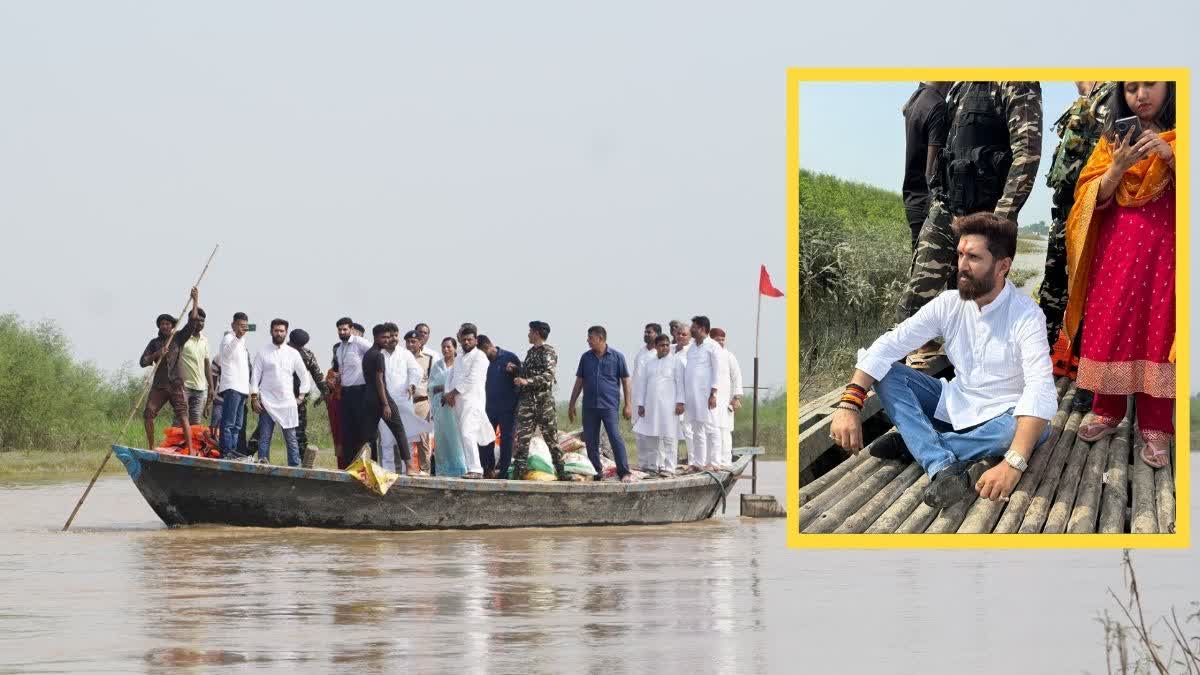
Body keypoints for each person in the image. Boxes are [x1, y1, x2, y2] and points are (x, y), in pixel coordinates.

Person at [830, 213, 1057, 508]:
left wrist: (1013, 465)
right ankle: (939, 460)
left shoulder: (1027, 316)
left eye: (974, 257)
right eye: (960, 254)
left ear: (1003, 266)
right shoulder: (949, 303)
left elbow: (1040, 388)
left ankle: (919, 447)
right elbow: (889, 345)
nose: (962, 265)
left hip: (1003, 413)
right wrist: (849, 403)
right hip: (954, 403)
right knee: (887, 372)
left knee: (1022, 429)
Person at [1065, 81, 1176, 469]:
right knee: (1111, 321)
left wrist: (1173, 155)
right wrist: (1116, 168)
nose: (1141, 95)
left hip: (1167, 252)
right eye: (1131, 89)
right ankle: (1107, 411)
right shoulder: (1111, 141)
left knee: (1158, 328)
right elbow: (1087, 197)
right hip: (1115, 251)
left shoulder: (1184, 136)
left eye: (1150, 85)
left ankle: (1157, 426)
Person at [897, 81, 1042, 370]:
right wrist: (937, 198)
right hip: (946, 211)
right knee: (916, 294)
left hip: (986, 216)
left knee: (979, 304)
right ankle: (889, 371)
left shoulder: (1015, 80)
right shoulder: (961, 86)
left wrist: (999, 221)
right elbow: (946, 153)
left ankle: (977, 377)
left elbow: (1027, 155)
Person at [1040, 81, 1116, 346]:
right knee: (1053, 285)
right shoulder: (1085, 100)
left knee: (1086, 291)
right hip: (1063, 212)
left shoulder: (1117, 96)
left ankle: (1083, 367)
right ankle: (1042, 353)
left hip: (1088, 212)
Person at [568, 325, 634, 482]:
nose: (588, 341)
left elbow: (625, 380)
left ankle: (624, 472)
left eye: (590, 338)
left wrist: (628, 404)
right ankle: (596, 472)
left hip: (609, 405)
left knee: (614, 436)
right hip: (589, 406)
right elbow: (579, 382)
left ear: (601, 339)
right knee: (590, 440)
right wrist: (571, 404)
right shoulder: (586, 358)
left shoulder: (617, 357)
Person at [140, 288, 202, 453]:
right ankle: (150, 447)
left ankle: (190, 450)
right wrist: (157, 354)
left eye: (167, 324)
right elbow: (143, 362)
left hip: (176, 384)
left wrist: (195, 299)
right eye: (162, 324)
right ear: (159, 327)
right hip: (159, 386)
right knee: (148, 413)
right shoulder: (154, 342)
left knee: (183, 416)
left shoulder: (178, 338)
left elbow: (193, 322)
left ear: (172, 326)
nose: (164, 326)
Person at [353, 323, 417, 475]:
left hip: (368, 400)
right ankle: (409, 467)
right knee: (399, 430)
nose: (387, 340)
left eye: (389, 337)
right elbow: (379, 381)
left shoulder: (368, 354)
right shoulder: (379, 355)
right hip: (381, 398)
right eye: (384, 337)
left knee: (368, 436)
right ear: (376, 338)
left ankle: (362, 468)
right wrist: (386, 404)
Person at [249, 319, 311, 466]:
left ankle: (295, 468)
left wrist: (301, 396)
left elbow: (304, 376)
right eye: (276, 330)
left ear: (286, 333)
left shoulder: (293, 353)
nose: (278, 333)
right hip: (267, 402)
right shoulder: (263, 352)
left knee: (291, 439)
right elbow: (255, 377)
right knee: (264, 438)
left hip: (287, 402)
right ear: (271, 331)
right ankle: (263, 466)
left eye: (282, 331)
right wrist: (254, 398)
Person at [511, 321, 567, 480]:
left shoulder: (548, 352)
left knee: (552, 440)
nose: (528, 334)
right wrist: (516, 370)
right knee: (522, 442)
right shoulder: (530, 353)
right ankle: (517, 476)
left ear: (536, 333)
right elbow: (527, 372)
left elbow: (548, 376)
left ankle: (562, 473)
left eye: (530, 331)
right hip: (527, 403)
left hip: (544, 404)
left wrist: (527, 381)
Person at [901, 81, 951, 251]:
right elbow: (932, 172)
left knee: (917, 266)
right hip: (926, 204)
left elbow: (903, 109)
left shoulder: (917, 96)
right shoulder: (938, 106)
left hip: (912, 200)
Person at [376, 325, 430, 474]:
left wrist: (412, 384)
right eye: (389, 336)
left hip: (403, 401)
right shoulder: (379, 354)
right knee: (386, 441)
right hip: (385, 403)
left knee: (405, 440)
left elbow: (416, 370)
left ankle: (408, 472)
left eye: (395, 335)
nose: (392, 338)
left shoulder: (405, 354)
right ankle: (388, 473)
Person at [443, 325, 491, 479]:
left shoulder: (480, 357)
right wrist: (448, 393)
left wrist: (452, 393)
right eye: (464, 340)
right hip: (457, 402)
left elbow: (472, 380)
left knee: (467, 433)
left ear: (476, 340)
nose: (466, 342)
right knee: (462, 435)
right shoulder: (459, 357)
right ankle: (470, 468)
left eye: (470, 339)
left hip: (472, 401)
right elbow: (450, 377)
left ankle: (476, 469)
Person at [633, 334, 684, 477]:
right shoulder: (649, 364)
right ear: (656, 347)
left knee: (669, 437)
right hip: (651, 406)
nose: (665, 348)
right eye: (662, 345)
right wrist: (641, 404)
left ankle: (669, 468)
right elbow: (643, 385)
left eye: (667, 345)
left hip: (670, 407)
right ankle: (652, 467)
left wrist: (681, 402)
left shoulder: (676, 362)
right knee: (651, 436)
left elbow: (681, 384)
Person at [331, 317, 374, 467]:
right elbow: (342, 371)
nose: (342, 332)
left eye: (345, 329)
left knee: (362, 430)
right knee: (347, 430)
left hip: (361, 391)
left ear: (351, 329)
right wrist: (337, 378)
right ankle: (350, 465)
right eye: (340, 330)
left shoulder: (359, 343)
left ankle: (367, 465)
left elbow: (376, 354)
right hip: (346, 392)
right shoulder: (340, 349)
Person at [680, 316, 722, 472]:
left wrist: (714, 393)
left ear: (703, 329)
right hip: (692, 395)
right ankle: (698, 463)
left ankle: (715, 462)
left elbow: (717, 371)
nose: (691, 329)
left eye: (694, 327)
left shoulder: (712, 346)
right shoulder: (691, 348)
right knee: (697, 428)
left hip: (707, 394)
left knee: (711, 427)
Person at [479, 334, 521, 478]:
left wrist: (515, 371)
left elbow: (522, 377)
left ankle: (503, 472)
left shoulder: (510, 357)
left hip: (508, 408)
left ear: (487, 347)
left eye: (482, 353)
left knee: (506, 440)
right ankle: (488, 469)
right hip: (488, 408)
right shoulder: (482, 362)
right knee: (485, 439)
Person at [287, 328, 329, 458]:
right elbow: (318, 376)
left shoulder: (304, 354)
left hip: (298, 399)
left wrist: (325, 393)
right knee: (264, 430)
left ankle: (301, 462)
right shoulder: (283, 351)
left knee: (299, 433)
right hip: (281, 397)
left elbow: (318, 377)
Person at [429, 337, 468, 477]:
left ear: (455, 348)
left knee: (458, 438)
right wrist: (445, 388)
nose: (446, 350)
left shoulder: (461, 365)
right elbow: (431, 387)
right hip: (441, 407)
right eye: (443, 347)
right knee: (442, 438)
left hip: (456, 405)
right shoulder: (437, 366)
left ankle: (461, 468)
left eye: (449, 347)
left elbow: (463, 384)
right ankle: (443, 469)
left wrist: (450, 390)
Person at [215, 312, 251, 458]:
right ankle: (225, 451)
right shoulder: (228, 338)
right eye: (240, 326)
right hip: (232, 386)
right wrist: (237, 337)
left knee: (237, 425)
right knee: (228, 423)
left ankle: (233, 451)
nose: (243, 329)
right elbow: (226, 354)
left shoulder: (242, 342)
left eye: (245, 326)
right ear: (233, 325)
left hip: (242, 388)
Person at [711, 328, 744, 468]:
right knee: (712, 431)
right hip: (711, 401)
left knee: (724, 431)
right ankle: (713, 461)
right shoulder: (707, 355)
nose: (720, 342)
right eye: (717, 339)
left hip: (725, 402)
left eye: (722, 340)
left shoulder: (729, 356)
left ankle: (725, 461)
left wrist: (736, 398)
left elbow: (737, 377)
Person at [177, 304, 213, 426]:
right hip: (184, 387)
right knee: (180, 419)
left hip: (200, 388)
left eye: (202, 321)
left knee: (195, 423)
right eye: (196, 320)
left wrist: (211, 388)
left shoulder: (205, 340)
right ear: (190, 321)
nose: (199, 323)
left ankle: (191, 445)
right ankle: (173, 445)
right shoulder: (182, 338)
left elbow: (207, 364)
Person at [405, 330, 435, 472]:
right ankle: (409, 469)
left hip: (422, 402)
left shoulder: (428, 359)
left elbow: (431, 381)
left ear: (420, 343)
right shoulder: (401, 358)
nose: (410, 344)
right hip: (405, 403)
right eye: (408, 341)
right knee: (407, 438)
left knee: (423, 439)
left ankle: (425, 470)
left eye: (413, 341)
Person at [670, 320, 694, 468]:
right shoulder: (670, 349)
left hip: (686, 397)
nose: (681, 336)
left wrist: (682, 401)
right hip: (669, 396)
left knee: (688, 430)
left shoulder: (692, 352)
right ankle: (671, 462)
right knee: (671, 431)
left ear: (690, 336)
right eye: (678, 333)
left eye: (684, 334)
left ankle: (693, 461)